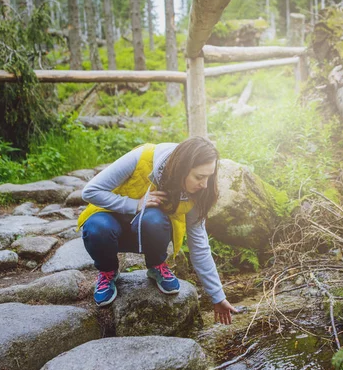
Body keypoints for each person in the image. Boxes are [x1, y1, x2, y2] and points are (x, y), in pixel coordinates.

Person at [77, 137, 237, 325]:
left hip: (148, 231)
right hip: (110, 224)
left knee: (154, 219)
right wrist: (134, 204)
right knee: (97, 227)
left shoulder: (197, 193)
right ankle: (107, 271)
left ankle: (156, 265)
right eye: (199, 177)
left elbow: (199, 245)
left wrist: (217, 296)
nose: (205, 184)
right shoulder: (142, 157)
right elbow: (90, 191)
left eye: (209, 177)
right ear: (181, 169)